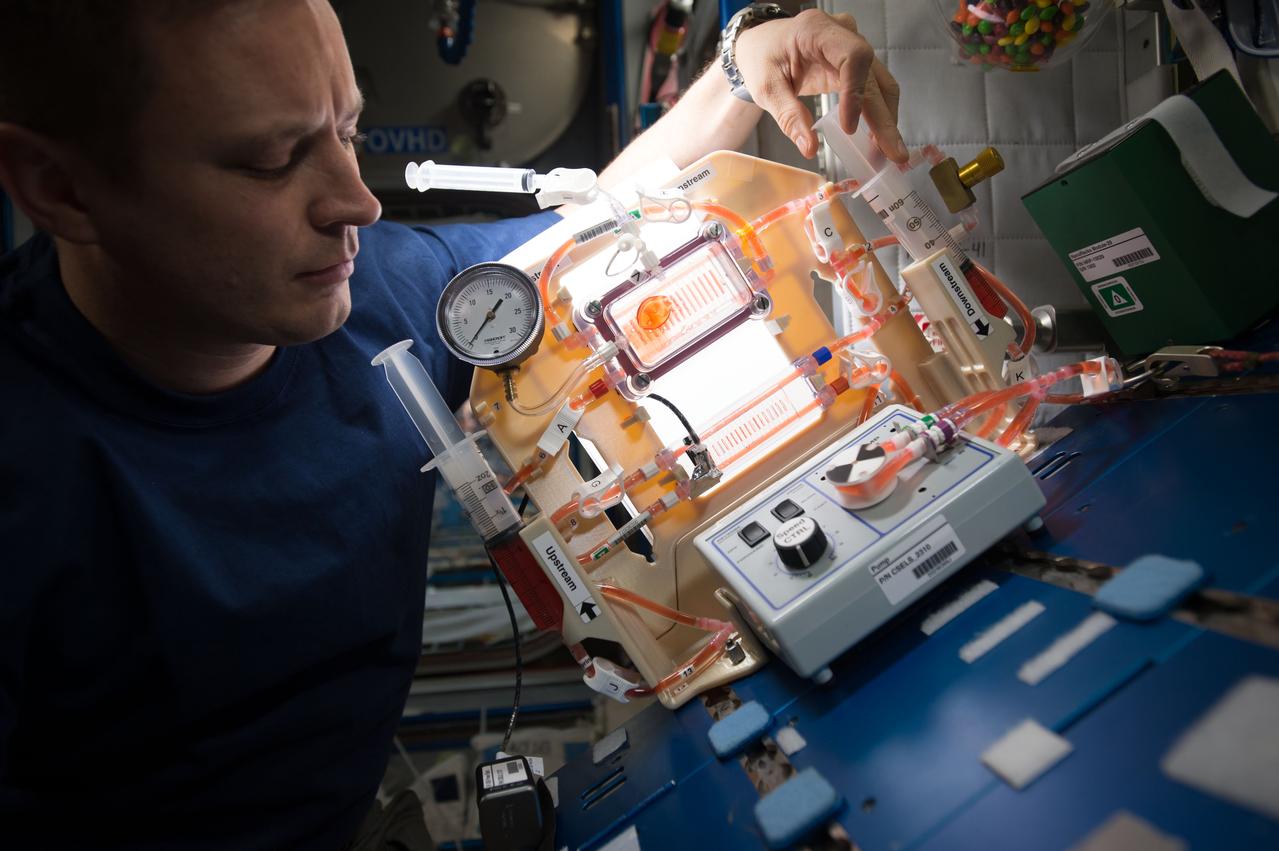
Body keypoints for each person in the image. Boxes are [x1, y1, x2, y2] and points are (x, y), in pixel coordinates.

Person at [0, 2, 902, 847]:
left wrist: (741, 68)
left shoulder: (377, 294)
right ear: (60, 189)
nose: (357, 203)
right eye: (271, 160)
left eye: (347, 133)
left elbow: (583, 234)